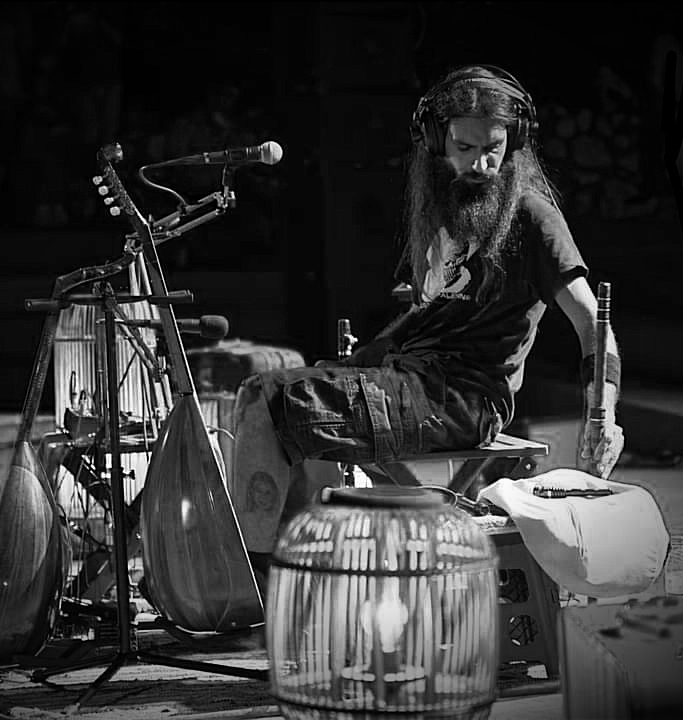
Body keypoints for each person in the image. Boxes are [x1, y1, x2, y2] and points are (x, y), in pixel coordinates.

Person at [230, 64, 625, 578]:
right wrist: (360, 362)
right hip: (414, 380)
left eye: (494, 147)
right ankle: (304, 573)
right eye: (465, 147)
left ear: (515, 141)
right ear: (437, 143)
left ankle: (254, 587)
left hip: (463, 398)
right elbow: (422, 312)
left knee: (266, 401)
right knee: (270, 394)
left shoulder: (532, 216)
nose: (481, 163)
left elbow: (593, 321)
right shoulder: (443, 209)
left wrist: (603, 413)